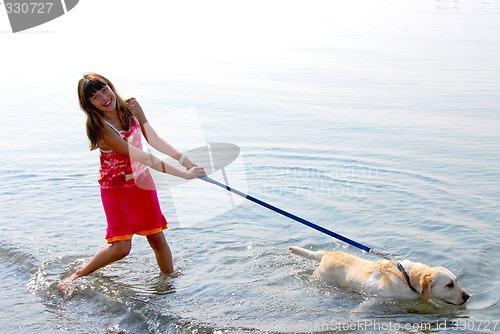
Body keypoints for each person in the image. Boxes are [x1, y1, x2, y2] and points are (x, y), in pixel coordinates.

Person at [59, 73, 205, 289]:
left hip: (142, 183)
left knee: (157, 238)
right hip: (116, 190)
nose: (104, 98)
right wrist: (184, 175)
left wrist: (187, 162)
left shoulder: (132, 107)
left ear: (111, 86)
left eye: (104, 90)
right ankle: (78, 275)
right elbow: (143, 156)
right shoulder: (103, 129)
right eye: (95, 97)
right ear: (89, 105)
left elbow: (154, 139)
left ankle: (167, 287)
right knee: (121, 248)